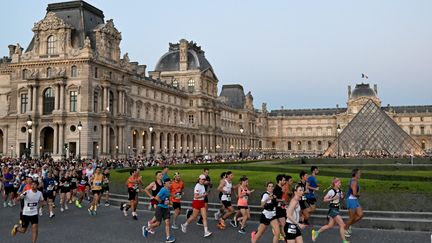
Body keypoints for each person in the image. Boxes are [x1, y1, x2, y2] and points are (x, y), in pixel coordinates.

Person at [312, 177, 349, 243]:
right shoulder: (331, 191)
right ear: (335, 183)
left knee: (330, 225)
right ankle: (344, 241)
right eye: (339, 182)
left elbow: (341, 198)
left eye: (340, 182)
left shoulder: (339, 190)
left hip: (337, 209)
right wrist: (332, 198)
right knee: (342, 224)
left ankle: (316, 232)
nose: (340, 184)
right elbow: (324, 199)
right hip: (333, 209)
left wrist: (342, 196)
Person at [142, 178, 175, 243]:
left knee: (167, 222)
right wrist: (163, 202)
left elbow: (167, 199)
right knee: (157, 224)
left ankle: (168, 238)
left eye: (171, 183)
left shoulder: (168, 190)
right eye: (169, 183)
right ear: (165, 183)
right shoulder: (163, 189)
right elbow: (157, 198)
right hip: (160, 208)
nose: (170, 184)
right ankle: (146, 228)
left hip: (166, 208)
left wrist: (170, 202)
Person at [344, 168, 364, 238]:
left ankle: (347, 225)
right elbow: (354, 193)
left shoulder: (353, 180)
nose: (360, 174)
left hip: (354, 200)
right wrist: (359, 194)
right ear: (355, 174)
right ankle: (345, 229)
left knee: (360, 215)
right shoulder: (354, 181)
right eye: (359, 173)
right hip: (351, 200)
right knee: (351, 218)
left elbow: (349, 185)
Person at [274, 174, 287, 240]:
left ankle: (280, 235)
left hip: (281, 208)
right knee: (283, 224)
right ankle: (285, 238)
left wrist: (284, 204)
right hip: (278, 209)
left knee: (281, 224)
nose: (285, 182)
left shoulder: (280, 188)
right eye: (283, 180)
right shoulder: (276, 189)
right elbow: (275, 199)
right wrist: (282, 200)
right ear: (279, 181)